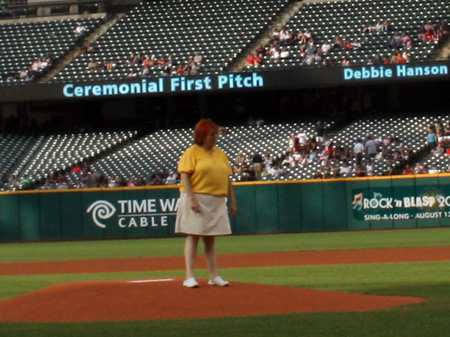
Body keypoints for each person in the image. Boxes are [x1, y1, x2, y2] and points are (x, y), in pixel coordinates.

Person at [175, 119, 237, 288]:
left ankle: (214, 276)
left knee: (210, 239)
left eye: (216, 134)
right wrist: (191, 199)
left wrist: (233, 200)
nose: (215, 137)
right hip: (197, 197)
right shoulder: (192, 152)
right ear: (202, 135)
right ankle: (189, 276)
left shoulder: (220, 153)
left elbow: (227, 178)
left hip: (216, 199)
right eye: (211, 134)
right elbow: (184, 175)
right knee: (193, 235)